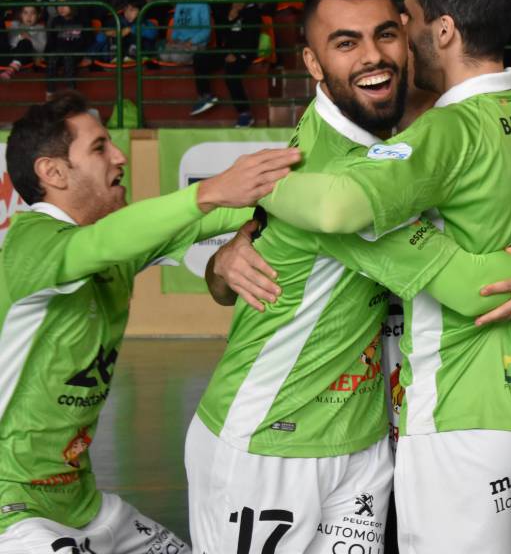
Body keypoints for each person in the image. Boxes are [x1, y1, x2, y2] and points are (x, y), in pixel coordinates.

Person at [188, 0, 511, 554]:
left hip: (393, 435)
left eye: (389, 30)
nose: (375, 54)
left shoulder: (443, 131)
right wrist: (223, 248)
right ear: (313, 63)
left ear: (423, 35)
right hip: (280, 433)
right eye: (346, 42)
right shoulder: (325, 166)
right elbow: (230, 252)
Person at [0, 91, 299, 553]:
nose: (120, 157)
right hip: (13, 508)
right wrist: (207, 190)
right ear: (53, 172)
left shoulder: (115, 244)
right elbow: (98, 246)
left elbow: (211, 216)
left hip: (85, 506)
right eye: (99, 148)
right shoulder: (30, 245)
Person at [157, 0, 210, 64]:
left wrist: (192, 41)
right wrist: (173, 40)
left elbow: (206, 30)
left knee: (176, 57)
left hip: (196, 44)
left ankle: (196, 59)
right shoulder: (180, 5)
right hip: (180, 43)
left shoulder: (202, 5)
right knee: (164, 55)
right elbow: (176, 26)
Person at [45, 0, 88, 92]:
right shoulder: (56, 21)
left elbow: (86, 40)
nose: (61, 8)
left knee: (68, 57)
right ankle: (50, 90)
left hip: (74, 53)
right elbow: (51, 41)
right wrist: (47, 55)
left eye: (65, 5)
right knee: (52, 58)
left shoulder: (82, 20)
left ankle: (71, 89)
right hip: (59, 53)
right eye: (59, 5)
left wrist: (88, 55)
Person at [3, 4, 46, 76]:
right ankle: (13, 65)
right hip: (12, 55)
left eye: (33, 13)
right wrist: (20, 36)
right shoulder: (15, 25)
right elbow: (10, 43)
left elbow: (41, 47)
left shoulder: (40, 28)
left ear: (38, 15)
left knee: (25, 42)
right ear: (20, 15)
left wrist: (30, 38)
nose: (29, 16)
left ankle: (12, 68)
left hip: (28, 57)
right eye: (25, 13)